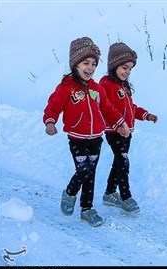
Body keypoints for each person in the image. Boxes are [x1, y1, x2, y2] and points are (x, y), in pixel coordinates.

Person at [43, 37, 130, 227]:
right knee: (83, 171)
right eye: (86, 63)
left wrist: (120, 123)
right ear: (75, 64)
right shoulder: (66, 87)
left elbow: (108, 108)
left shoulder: (97, 88)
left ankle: (87, 209)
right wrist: (50, 122)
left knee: (91, 174)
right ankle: (70, 193)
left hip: (96, 138)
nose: (90, 68)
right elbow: (53, 105)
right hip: (77, 138)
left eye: (93, 64)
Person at [99, 41, 158, 215]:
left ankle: (109, 194)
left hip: (127, 132)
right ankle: (125, 197)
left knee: (118, 162)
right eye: (124, 67)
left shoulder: (122, 87)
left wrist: (146, 115)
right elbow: (106, 109)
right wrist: (118, 125)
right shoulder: (106, 85)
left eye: (130, 69)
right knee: (123, 163)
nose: (127, 72)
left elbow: (131, 108)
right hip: (114, 132)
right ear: (114, 65)